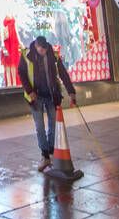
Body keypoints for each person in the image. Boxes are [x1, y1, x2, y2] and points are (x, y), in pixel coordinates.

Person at [17, 35, 76, 172]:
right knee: (39, 126)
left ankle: (50, 152)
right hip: (35, 97)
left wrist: (71, 91)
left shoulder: (53, 55)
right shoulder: (26, 55)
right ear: (36, 46)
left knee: (53, 124)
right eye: (40, 50)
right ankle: (44, 155)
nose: (42, 52)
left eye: (44, 50)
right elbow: (21, 72)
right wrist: (30, 91)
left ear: (46, 47)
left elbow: (62, 73)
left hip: (51, 95)